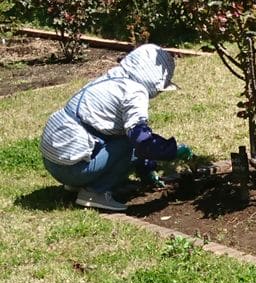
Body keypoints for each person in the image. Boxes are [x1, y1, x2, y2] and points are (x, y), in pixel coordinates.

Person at [40, 44, 192, 213]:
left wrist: (147, 169)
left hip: (54, 162)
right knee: (129, 142)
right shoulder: (135, 92)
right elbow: (141, 142)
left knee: (125, 138)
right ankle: (94, 192)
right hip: (71, 169)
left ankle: (80, 183)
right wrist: (172, 151)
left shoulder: (113, 78)